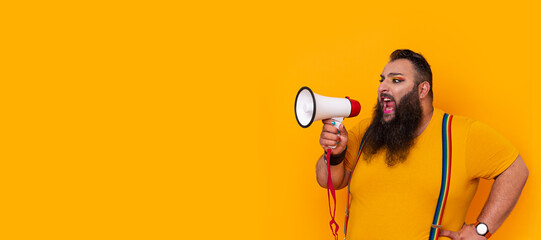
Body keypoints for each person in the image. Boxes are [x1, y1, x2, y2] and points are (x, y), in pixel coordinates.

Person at [315, 49, 529, 240]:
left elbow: (516, 169)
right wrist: (335, 154)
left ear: (422, 89)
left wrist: (482, 229)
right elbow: (329, 181)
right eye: (382, 80)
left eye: (396, 80)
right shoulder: (367, 130)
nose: (383, 87)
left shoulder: (462, 133)